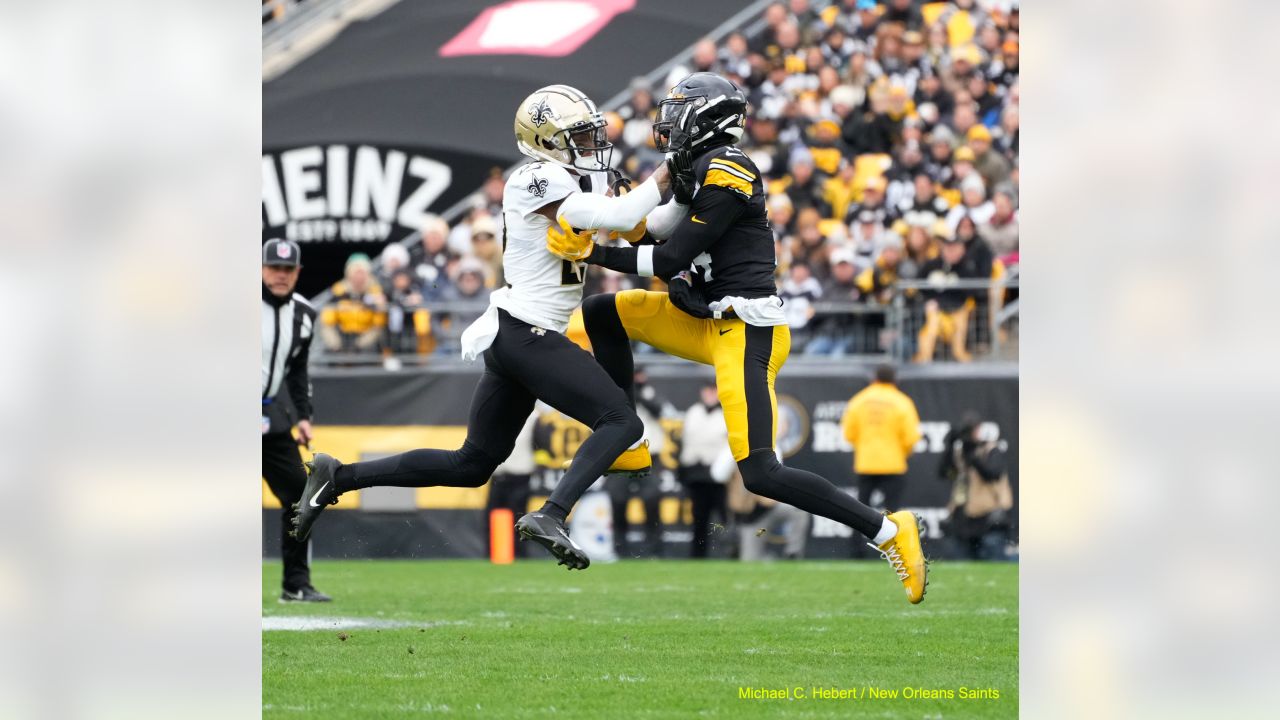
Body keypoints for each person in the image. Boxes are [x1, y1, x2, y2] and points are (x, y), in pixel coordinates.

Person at [558, 72, 928, 604]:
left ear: (705, 116)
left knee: (759, 471)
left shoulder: (730, 166)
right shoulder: (696, 168)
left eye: (677, 109)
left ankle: (888, 530)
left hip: (747, 331)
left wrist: (591, 252)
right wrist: (618, 212)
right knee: (602, 313)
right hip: (708, 319)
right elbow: (659, 231)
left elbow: (667, 258)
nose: (666, 120)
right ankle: (628, 434)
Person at [291, 85, 673, 571]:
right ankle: (553, 514)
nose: (591, 144)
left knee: (472, 464)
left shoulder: (575, 179)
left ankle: (338, 476)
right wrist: (670, 168)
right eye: (578, 135)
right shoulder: (536, 177)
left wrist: (679, 191)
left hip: (517, 335)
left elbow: (648, 225)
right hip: (526, 332)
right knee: (622, 420)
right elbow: (620, 213)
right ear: (545, 141)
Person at [260, 239, 330, 602]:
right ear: (260, 268)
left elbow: (297, 371)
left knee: (301, 497)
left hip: (269, 414)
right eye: (274, 267)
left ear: (298, 272)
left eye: (287, 269)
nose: (280, 275)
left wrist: (303, 416)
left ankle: (296, 584)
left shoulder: (304, 314)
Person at [840, 364, 922, 515]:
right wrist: (902, 453)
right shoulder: (902, 402)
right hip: (893, 464)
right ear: (895, 381)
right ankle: (890, 539)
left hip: (866, 463)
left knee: (858, 512)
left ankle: (856, 539)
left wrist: (864, 446)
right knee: (892, 514)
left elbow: (848, 433)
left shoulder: (860, 400)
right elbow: (911, 437)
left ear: (874, 379)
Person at [939, 412, 1012, 559]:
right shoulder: (960, 453)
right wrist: (949, 446)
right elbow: (944, 473)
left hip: (990, 517)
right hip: (965, 520)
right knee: (964, 568)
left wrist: (972, 456)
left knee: (994, 566)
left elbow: (993, 474)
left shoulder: (992, 450)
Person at [679, 383, 730, 558]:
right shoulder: (694, 412)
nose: (710, 394)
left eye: (713, 391)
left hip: (718, 474)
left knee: (724, 517)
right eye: (707, 390)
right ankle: (697, 555)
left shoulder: (726, 414)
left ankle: (729, 552)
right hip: (695, 473)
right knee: (699, 518)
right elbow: (686, 441)